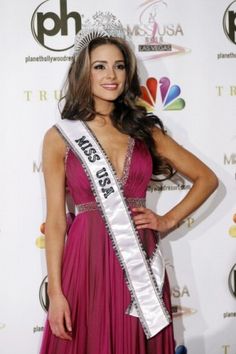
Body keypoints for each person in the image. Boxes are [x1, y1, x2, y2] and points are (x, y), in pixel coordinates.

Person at [39, 13, 218, 354]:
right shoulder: (60, 137)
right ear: (84, 72)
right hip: (84, 262)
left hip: (139, 263)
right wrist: (56, 292)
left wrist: (168, 220)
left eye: (119, 66)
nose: (111, 76)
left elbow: (206, 179)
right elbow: (57, 221)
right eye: (100, 66)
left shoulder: (145, 131)